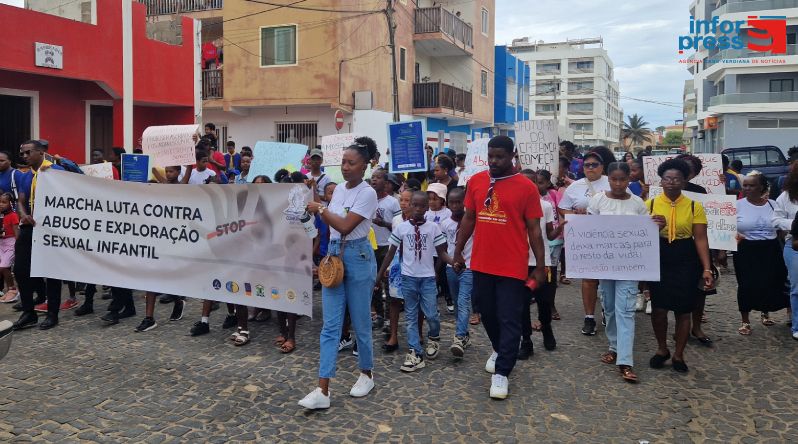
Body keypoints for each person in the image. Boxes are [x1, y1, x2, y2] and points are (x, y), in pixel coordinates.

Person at [453, 135, 546, 400]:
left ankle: (502, 372)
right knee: (487, 314)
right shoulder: (476, 182)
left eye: (500, 157)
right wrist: (458, 251)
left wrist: (540, 267)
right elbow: (469, 218)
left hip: (512, 265)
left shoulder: (526, 187)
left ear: (512, 155)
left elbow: (534, 231)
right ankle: (500, 348)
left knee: (508, 317)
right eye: (491, 156)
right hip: (481, 262)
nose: (494, 161)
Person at [300, 138, 379, 410]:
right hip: (334, 256)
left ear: (365, 166)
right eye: (343, 161)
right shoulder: (340, 191)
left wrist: (320, 208)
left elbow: (345, 225)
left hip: (358, 256)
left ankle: (366, 373)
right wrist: (316, 198)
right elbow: (329, 215)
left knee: (360, 322)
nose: (345, 167)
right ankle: (323, 389)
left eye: (351, 162)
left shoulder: (368, 193)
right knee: (330, 326)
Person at [647, 159, 714, 373]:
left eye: (677, 179)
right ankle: (661, 349)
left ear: (685, 181)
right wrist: (653, 228)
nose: (672, 183)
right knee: (658, 308)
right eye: (667, 178)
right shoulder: (649, 204)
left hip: (686, 257)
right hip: (659, 255)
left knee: (684, 309)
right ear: (661, 181)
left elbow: (701, 239)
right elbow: (640, 236)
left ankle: (678, 354)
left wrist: (706, 268)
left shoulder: (694, 205)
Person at [587, 162, 648, 382]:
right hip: (605, 264)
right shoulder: (597, 200)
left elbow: (645, 233)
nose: (619, 183)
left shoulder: (638, 203)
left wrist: (655, 226)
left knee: (626, 311)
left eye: (623, 179)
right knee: (610, 308)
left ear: (629, 180)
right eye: (614, 179)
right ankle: (613, 346)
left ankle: (625, 361)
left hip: (629, 265)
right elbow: (589, 230)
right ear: (608, 178)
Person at [378, 191, 451, 372]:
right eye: (414, 205)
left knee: (432, 315)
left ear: (427, 208)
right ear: (410, 206)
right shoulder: (401, 228)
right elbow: (390, 253)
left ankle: (434, 336)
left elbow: (442, 252)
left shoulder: (433, 228)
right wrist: (378, 276)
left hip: (427, 278)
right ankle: (415, 353)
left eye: (422, 206)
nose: (417, 209)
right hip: (408, 277)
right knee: (410, 316)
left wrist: (453, 262)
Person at [12, 140, 65, 331]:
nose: (24, 157)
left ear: (41, 152)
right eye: (22, 154)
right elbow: (21, 200)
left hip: (51, 229)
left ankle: (52, 314)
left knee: (51, 272)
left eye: (28, 153)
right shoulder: (25, 176)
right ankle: (29, 312)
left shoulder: (56, 172)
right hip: (29, 227)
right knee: (20, 269)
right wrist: (23, 214)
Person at [558, 150, 611, 336]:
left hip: (610, 238)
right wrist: (576, 216)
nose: (590, 168)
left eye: (594, 165)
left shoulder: (614, 182)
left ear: (602, 167)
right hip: (586, 238)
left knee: (607, 278)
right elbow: (563, 208)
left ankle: (607, 311)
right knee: (589, 279)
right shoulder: (575, 187)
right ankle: (589, 317)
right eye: (586, 165)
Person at [734, 172, 788, 335]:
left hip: (770, 248)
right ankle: (745, 320)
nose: (748, 188)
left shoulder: (773, 204)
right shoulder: (737, 205)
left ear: (762, 187)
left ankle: (765, 312)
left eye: (752, 185)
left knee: (771, 281)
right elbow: (726, 227)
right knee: (746, 284)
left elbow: (780, 228)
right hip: (746, 249)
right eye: (745, 185)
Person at [518, 170, 562, 359]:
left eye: (532, 183)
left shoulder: (544, 206)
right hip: (520, 264)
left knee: (544, 301)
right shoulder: (514, 206)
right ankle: (526, 341)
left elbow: (549, 234)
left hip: (542, 264)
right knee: (522, 304)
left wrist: (559, 229)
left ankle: (546, 329)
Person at [440, 187, 474, 358]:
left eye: (458, 202)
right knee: (456, 302)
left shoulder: (473, 221)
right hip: (451, 268)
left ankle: (459, 337)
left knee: (463, 301)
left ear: (465, 202)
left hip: (469, 267)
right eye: (451, 202)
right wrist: (450, 262)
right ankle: (465, 333)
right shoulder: (445, 224)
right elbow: (442, 249)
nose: (455, 206)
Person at [383, 189, 414, 353]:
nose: (403, 203)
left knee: (414, 301)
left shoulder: (419, 220)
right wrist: (388, 266)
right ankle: (393, 335)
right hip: (396, 263)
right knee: (394, 300)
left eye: (407, 201)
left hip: (413, 263)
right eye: (401, 200)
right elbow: (392, 245)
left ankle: (416, 335)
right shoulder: (396, 220)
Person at [370, 169, 401, 330]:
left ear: (386, 182)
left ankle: (390, 318)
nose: (374, 180)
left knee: (388, 282)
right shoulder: (367, 199)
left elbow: (399, 225)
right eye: (372, 177)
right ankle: (379, 314)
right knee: (373, 282)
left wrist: (384, 224)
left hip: (387, 246)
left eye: (378, 178)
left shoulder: (392, 202)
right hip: (370, 246)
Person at [772, 163, 798, 340]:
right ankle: (797, 325)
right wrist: (794, 225)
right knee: (797, 288)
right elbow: (775, 220)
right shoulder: (787, 196)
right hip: (794, 245)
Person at [534, 170, 563, 321]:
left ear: (548, 183)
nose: (537, 186)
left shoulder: (553, 195)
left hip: (554, 240)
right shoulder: (529, 199)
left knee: (550, 275)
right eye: (535, 182)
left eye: (541, 182)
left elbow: (560, 210)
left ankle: (550, 305)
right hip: (535, 243)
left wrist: (561, 228)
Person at [0, 193, 19, 304]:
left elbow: (16, 232)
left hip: (11, 242)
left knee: (4, 267)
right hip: (1, 243)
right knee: (1, 268)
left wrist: (18, 246)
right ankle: (8, 291)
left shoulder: (13, 216)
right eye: (0, 202)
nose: (1, 204)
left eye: (4, 202)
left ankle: (13, 290)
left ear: (11, 203)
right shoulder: (1, 216)